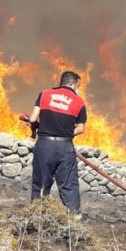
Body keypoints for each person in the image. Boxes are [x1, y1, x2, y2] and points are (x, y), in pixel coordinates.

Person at [27, 70, 87, 215]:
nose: (78, 89)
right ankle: (74, 218)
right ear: (71, 84)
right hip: (65, 147)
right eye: (78, 86)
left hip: (44, 146)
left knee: (41, 184)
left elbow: (33, 119)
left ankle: (37, 216)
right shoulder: (79, 102)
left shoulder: (44, 95)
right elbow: (81, 128)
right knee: (68, 185)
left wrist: (36, 128)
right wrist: (66, 133)